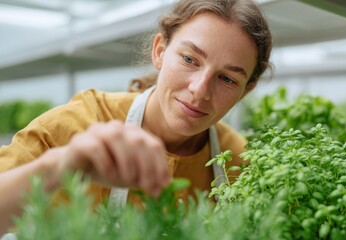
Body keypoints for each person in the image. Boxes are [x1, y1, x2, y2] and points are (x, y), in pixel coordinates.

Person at [0, 0, 272, 235]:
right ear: (159, 51)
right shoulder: (79, 123)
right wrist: (59, 168)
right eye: (189, 59)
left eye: (226, 79)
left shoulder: (241, 163)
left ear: (246, 90)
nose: (199, 90)